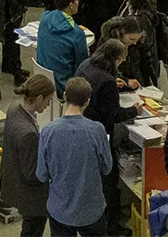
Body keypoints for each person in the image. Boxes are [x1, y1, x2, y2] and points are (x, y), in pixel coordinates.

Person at [35, 76, 112, 237]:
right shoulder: (97, 130)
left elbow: (41, 175)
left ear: (64, 96)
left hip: (60, 210)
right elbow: (107, 168)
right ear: (87, 101)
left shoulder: (48, 132)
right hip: (92, 210)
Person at [0, 73, 54, 237]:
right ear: (39, 98)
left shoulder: (14, 108)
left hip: (14, 180)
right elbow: (32, 174)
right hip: (32, 197)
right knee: (33, 230)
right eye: (48, 100)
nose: (49, 105)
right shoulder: (28, 134)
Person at [37, 0, 90, 94]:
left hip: (42, 79)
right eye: (77, 0)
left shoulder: (45, 18)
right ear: (71, 5)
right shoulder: (77, 33)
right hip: (63, 85)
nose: (78, 2)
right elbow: (82, 66)